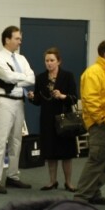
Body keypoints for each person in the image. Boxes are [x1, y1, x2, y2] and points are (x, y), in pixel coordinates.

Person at [0, 25, 35, 194]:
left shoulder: (22, 59)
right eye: (17, 38)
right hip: (4, 102)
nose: (19, 41)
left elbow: (32, 78)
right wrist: (22, 79)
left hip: (19, 102)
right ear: (7, 39)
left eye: (20, 39)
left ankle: (13, 176)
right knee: (0, 141)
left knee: (16, 141)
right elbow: (7, 76)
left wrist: (16, 81)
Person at [74, 40, 105, 205]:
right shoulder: (94, 72)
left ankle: (94, 193)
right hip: (101, 123)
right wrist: (102, 120)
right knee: (97, 160)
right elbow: (90, 100)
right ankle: (81, 196)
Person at [28, 47, 79, 191]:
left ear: (59, 61)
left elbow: (74, 98)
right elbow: (39, 100)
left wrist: (63, 96)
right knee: (50, 152)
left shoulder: (67, 76)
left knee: (66, 153)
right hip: (47, 120)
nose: (49, 63)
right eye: (46, 60)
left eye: (52, 60)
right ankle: (52, 181)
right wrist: (32, 97)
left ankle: (68, 182)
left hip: (64, 120)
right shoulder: (41, 78)